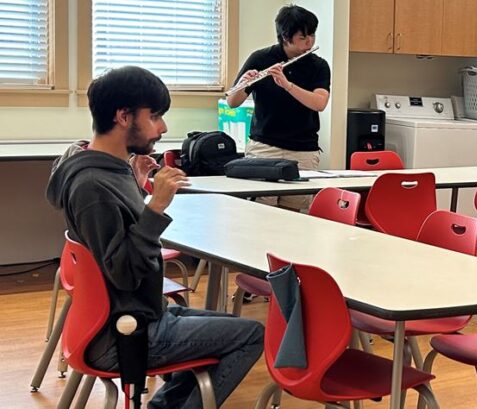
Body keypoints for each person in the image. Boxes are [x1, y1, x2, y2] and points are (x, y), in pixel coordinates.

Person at [46, 66, 264, 408]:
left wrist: (137, 186)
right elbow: (125, 272)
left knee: (231, 327)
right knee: (251, 336)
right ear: (123, 116)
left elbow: (119, 240)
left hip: (138, 313)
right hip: (124, 331)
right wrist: (157, 205)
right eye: (155, 115)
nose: (162, 127)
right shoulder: (93, 186)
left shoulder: (105, 167)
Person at [226, 4, 330, 211]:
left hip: (303, 150)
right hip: (264, 148)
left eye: (312, 35)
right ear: (285, 36)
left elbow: (319, 103)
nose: (309, 42)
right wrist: (243, 84)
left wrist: (288, 85)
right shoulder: (261, 59)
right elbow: (233, 102)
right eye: (303, 37)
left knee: (293, 215)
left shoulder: (318, 65)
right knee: (261, 211)